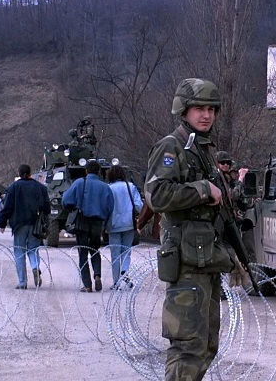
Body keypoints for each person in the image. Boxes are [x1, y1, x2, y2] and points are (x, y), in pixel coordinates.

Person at [144, 78, 247, 380]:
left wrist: (232, 255)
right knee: (188, 347)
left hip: (206, 259)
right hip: (187, 264)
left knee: (206, 345)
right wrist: (203, 189)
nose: (206, 115)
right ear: (184, 111)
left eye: (211, 109)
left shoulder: (204, 150)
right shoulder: (172, 146)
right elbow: (157, 195)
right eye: (199, 108)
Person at [62, 160, 114, 293]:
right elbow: (110, 207)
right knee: (95, 249)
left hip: (82, 221)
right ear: (99, 172)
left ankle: (87, 285)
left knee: (83, 253)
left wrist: (73, 207)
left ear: (86, 171)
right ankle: (97, 275)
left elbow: (66, 200)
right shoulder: (105, 187)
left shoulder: (80, 182)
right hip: (98, 222)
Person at [0, 164, 50, 290]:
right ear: (30, 173)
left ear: (19, 173)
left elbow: (8, 207)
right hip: (35, 224)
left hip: (19, 224)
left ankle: (22, 282)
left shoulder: (13, 187)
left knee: (19, 251)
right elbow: (46, 208)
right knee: (33, 249)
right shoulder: (40, 187)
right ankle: (35, 267)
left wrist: (2, 222)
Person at [106, 165, 143, 290]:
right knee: (126, 251)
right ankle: (125, 270)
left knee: (115, 254)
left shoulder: (108, 188)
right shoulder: (130, 186)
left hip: (113, 224)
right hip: (128, 223)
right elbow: (138, 205)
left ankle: (116, 282)